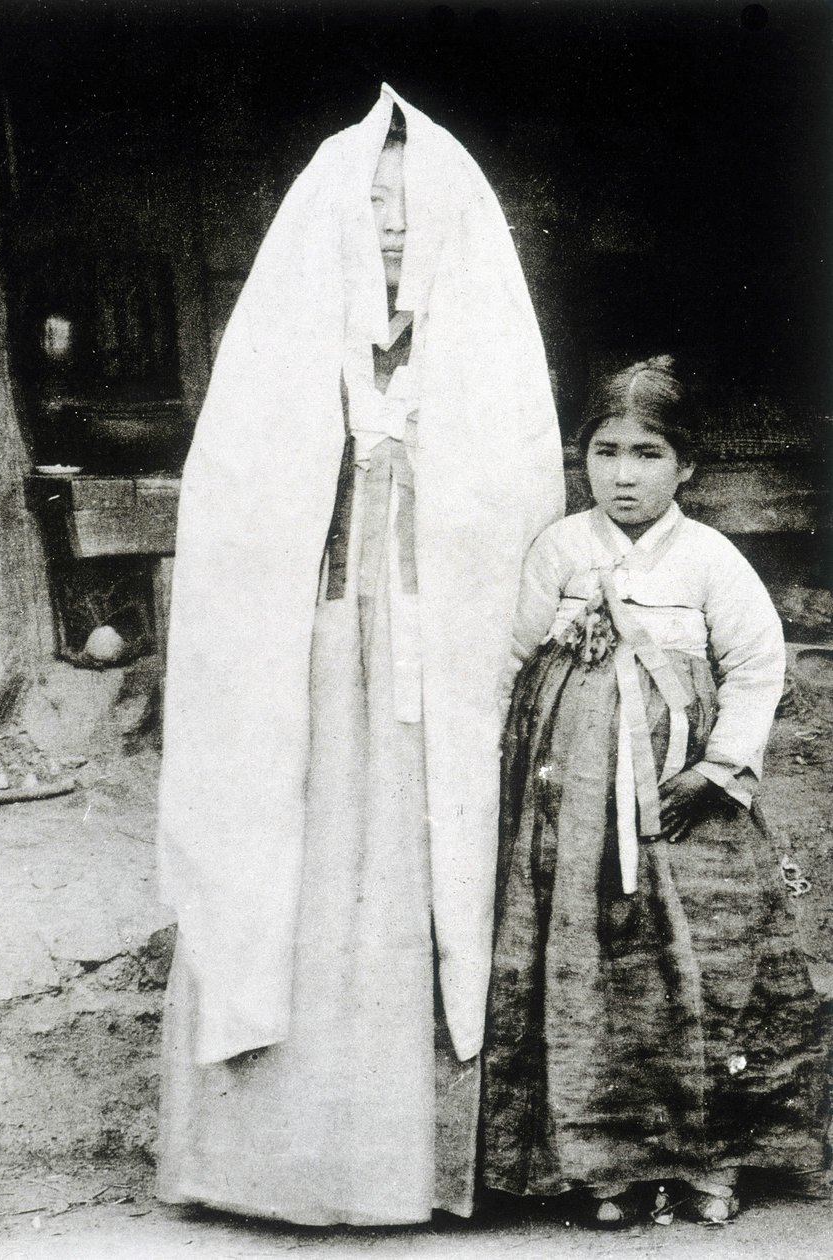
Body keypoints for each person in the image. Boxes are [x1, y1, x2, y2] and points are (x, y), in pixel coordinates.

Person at [156, 85, 564, 1226]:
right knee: (285, 858)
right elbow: (241, 499)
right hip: (311, 656)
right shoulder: (290, 350)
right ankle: (265, 1164)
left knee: (416, 879)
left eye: (409, 200)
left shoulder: (475, 356)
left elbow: (510, 499)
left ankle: (407, 1166)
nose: (390, 221)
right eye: (371, 198)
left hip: (434, 669)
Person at [482, 355, 827, 1228]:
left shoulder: (710, 558)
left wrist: (716, 773)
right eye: (605, 452)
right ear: (582, 458)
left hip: (687, 813)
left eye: (647, 453)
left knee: (709, 970)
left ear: (687, 467)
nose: (623, 474)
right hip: (575, 820)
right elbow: (512, 661)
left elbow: (755, 667)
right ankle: (603, 1167)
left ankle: (714, 1163)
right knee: (590, 979)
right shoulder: (560, 550)